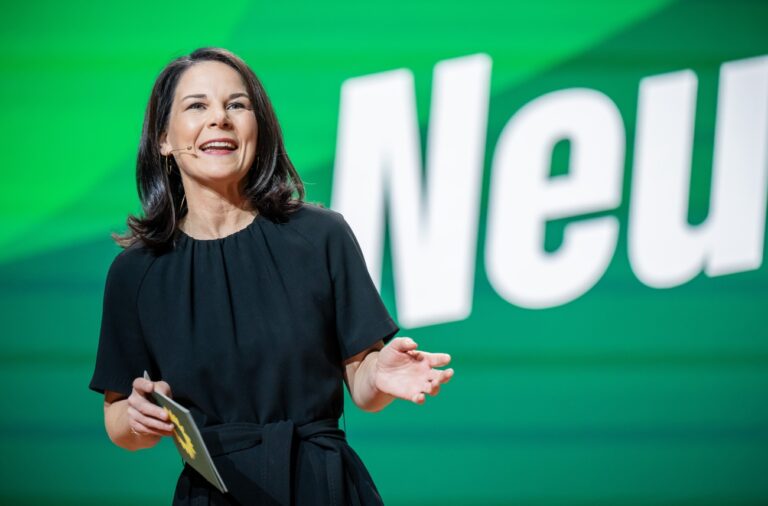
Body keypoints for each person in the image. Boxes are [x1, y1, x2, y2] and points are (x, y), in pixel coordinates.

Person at [88, 47, 454, 505]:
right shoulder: (136, 273)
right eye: (197, 105)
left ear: (257, 129)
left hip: (324, 488)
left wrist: (380, 374)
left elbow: (362, 384)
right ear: (163, 137)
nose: (219, 118)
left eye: (236, 105)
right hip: (215, 494)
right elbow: (118, 418)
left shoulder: (321, 236)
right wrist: (138, 419)